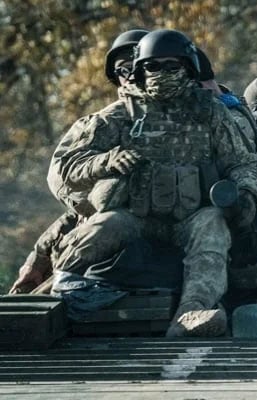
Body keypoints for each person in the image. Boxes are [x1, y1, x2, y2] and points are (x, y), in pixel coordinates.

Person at [49, 29, 257, 337]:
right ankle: (60, 294)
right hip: (135, 217)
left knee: (212, 226)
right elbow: (64, 165)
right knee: (103, 226)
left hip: (191, 218)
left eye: (171, 67)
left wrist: (245, 195)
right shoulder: (120, 115)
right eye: (153, 67)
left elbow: (242, 162)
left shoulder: (210, 113)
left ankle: (192, 312)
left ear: (187, 68)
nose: (161, 74)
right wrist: (105, 162)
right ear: (139, 70)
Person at [9, 28, 151, 295]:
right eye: (122, 69)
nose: (131, 76)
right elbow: (65, 184)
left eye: (138, 66)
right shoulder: (103, 123)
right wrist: (106, 163)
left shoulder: (190, 115)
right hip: (101, 231)